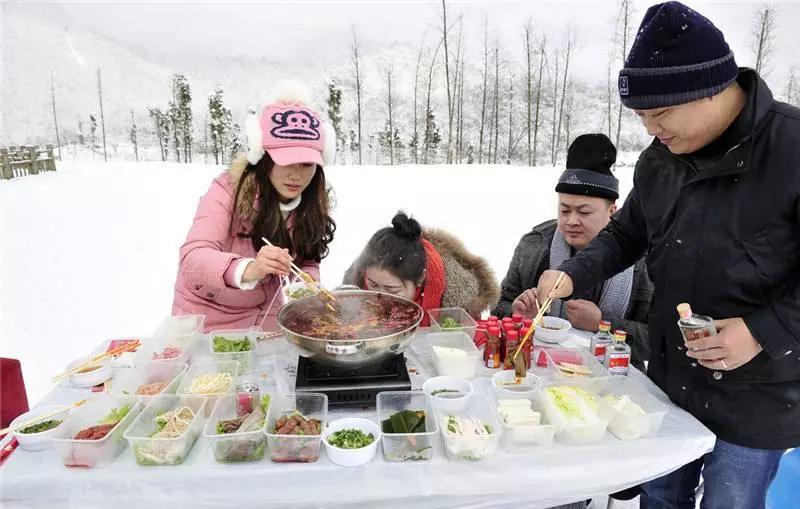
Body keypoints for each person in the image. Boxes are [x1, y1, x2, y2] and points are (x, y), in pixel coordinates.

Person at [535, 3, 800, 508]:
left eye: (659, 113)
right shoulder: (662, 161)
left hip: (759, 392)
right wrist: (570, 275)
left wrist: (761, 332)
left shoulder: (791, 148)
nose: (650, 130)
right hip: (671, 381)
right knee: (660, 497)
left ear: (710, 89)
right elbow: (625, 234)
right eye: (641, 116)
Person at [172, 82, 336, 332]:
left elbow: (308, 261)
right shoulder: (229, 191)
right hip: (209, 325)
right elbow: (193, 258)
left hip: (270, 324)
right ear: (264, 158)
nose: (296, 175)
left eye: (307, 164)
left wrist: (307, 284)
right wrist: (251, 268)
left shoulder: (312, 203)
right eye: (286, 161)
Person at [493, 134, 652, 369]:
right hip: (539, 368)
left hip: (615, 379)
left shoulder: (643, 259)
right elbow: (498, 309)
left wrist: (602, 323)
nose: (571, 221)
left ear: (612, 211)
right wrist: (519, 316)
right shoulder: (535, 245)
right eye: (565, 210)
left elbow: (660, 340)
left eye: (584, 212)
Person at [342, 212, 499, 325]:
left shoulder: (458, 300)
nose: (380, 297)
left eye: (392, 290)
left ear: (420, 278)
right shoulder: (356, 284)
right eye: (373, 285)